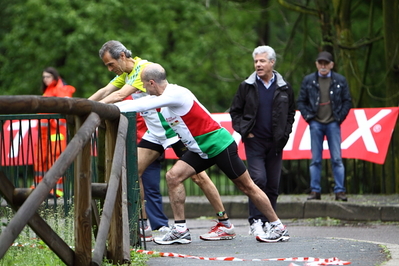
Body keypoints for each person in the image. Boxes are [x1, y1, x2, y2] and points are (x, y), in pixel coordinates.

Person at [115, 63, 291, 245]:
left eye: (144, 85)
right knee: (173, 177)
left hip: (218, 145)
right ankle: (180, 229)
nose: (143, 88)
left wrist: (107, 106)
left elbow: (142, 103)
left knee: (247, 186)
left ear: (152, 82)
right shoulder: (165, 101)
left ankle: (277, 226)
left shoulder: (174, 94)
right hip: (200, 150)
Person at [90, 40, 236, 242]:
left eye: (110, 64)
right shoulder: (124, 73)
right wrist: (83, 104)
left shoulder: (144, 70)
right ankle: (143, 226)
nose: (110, 69)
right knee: (132, 172)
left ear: (122, 56)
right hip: (154, 133)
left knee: (198, 177)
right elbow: (105, 91)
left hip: (172, 131)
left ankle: (224, 223)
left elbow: (119, 95)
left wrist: (93, 109)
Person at [229, 45, 295, 237]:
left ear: (272, 63)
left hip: (276, 142)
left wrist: (285, 133)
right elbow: (235, 112)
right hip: (254, 141)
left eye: (262, 61)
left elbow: (291, 112)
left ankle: (270, 222)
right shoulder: (246, 86)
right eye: (256, 61)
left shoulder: (285, 87)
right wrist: (245, 131)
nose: (258, 64)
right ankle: (256, 221)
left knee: (273, 184)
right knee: (258, 180)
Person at [297, 51, 352, 201]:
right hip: (316, 123)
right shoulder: (308, 81)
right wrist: (309, 117)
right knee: (315, 159)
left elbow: (348, 101)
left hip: (333, 123)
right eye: (320, 63)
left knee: (337, 159)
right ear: (316, 64)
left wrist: (338, 117)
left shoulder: (340, 80)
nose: (323, 66)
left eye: (326, 63)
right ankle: (315, 191)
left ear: (331, 65)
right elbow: (301, 101)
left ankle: (340, 191)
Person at [32, 67, 76, 197]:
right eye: (44, 77)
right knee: (40, 159)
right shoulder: (47, 91)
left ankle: (57, 189)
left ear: (55, 77)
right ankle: (38, 187)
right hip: (43, 132)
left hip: (56, 131)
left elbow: (65, 102)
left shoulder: (61, 89)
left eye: (48, 76)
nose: (45, 79)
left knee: (55, 159)